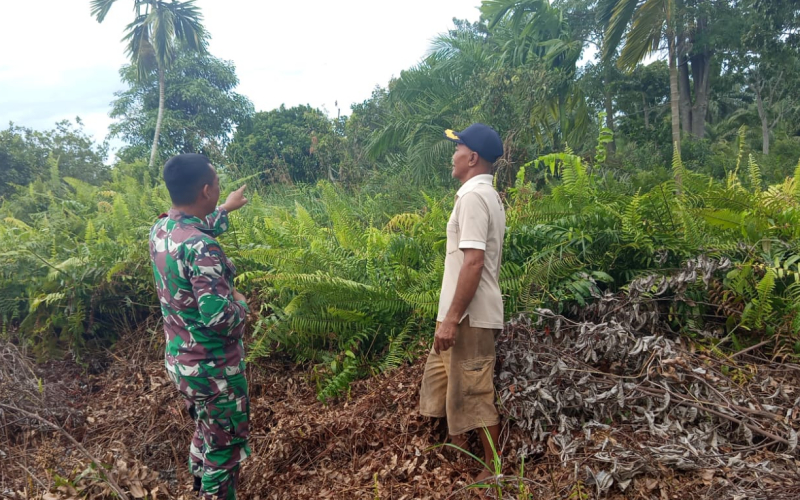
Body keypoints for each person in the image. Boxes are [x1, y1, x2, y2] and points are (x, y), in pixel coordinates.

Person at [149, 153, 251, 500]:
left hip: (182, 363)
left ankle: (196, 480)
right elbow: (220, 317)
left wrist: (226, 208)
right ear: (205, 189)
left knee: (206, 428)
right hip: (214, 370)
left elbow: (196, 230)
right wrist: (241, 302)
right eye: (218, 188)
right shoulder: (201, 247)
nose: (219, 191)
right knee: (226, 449)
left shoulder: (162, 229)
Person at [419, 123, 506, 483]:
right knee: (440, 381)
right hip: (458, 314)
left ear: (472, 158)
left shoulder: (473, 198)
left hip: (468, 316)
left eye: (457, 149)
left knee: (474, 390)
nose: (452, 155)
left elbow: (473, 262)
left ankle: (493, 470)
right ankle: (455, 455)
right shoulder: (484, 196)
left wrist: (452, 319)